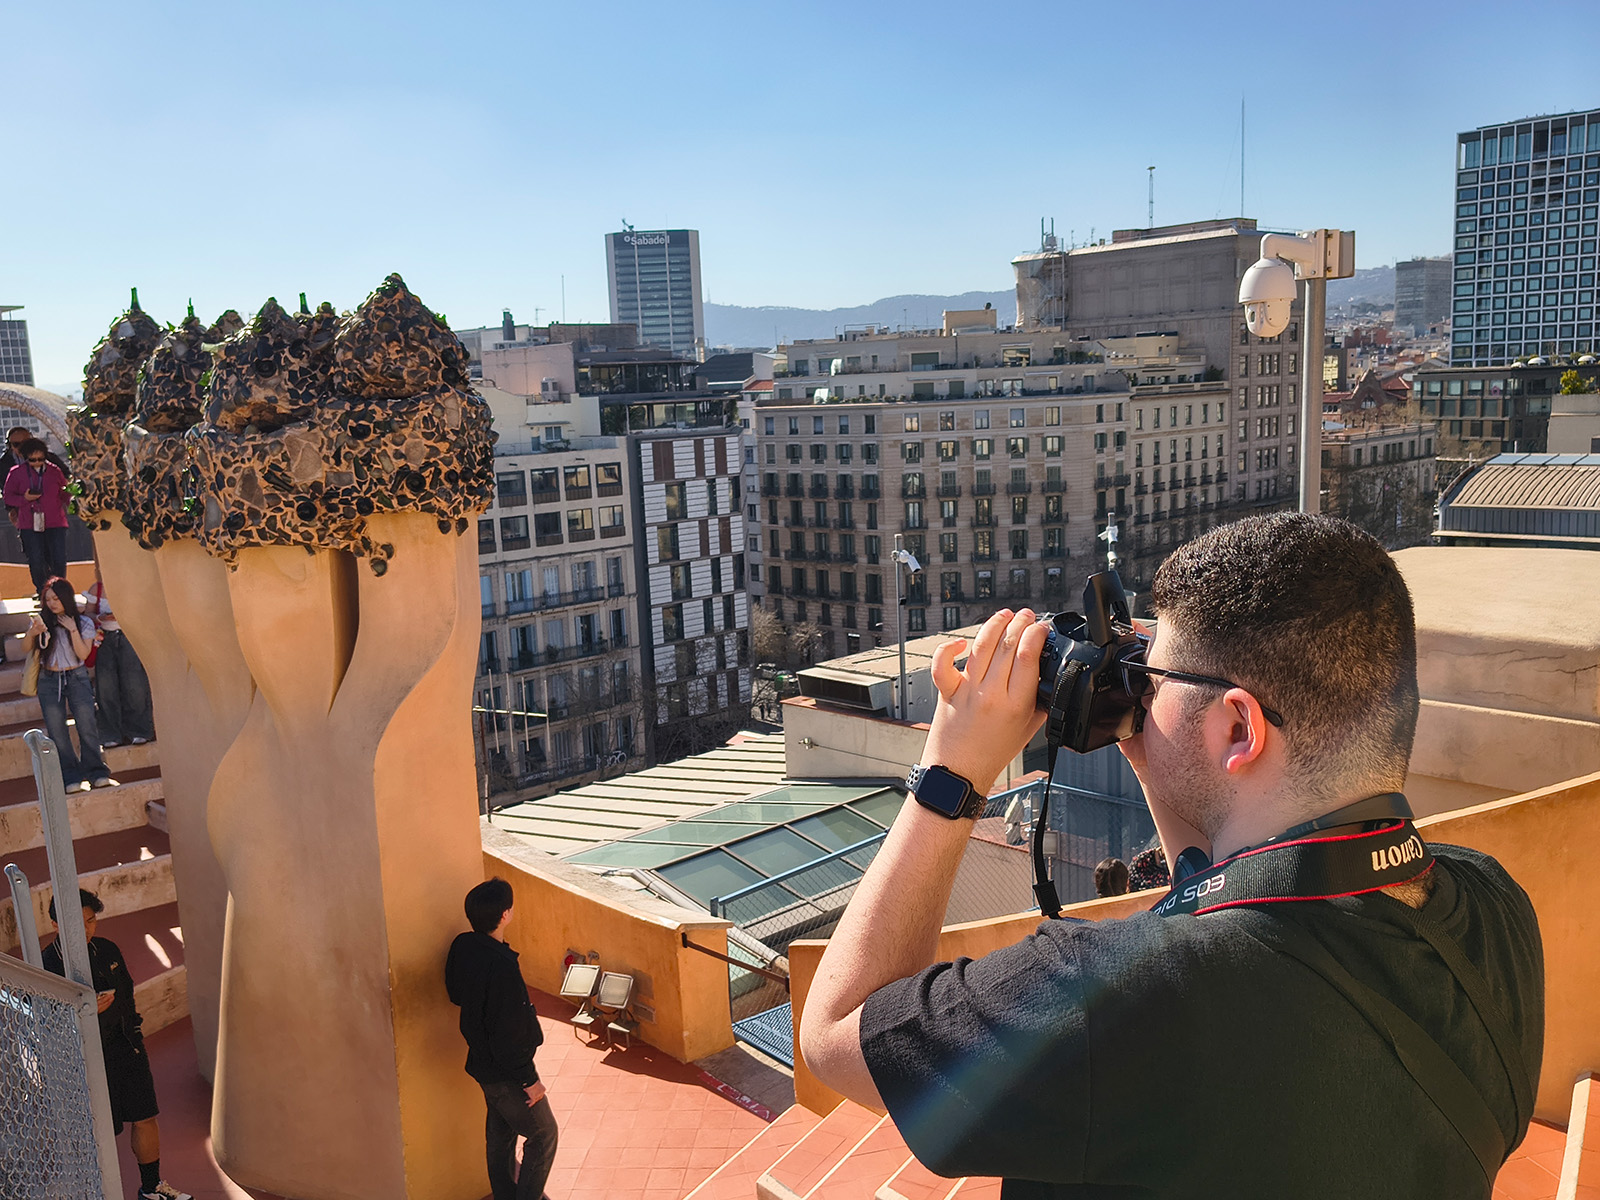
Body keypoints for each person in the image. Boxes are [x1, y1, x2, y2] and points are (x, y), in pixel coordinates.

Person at [800, 514, 1544, 1198]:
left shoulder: (1110, 999)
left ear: (1239, 729)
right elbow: (1234, 888)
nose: (1145, 692)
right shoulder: (1497, 908)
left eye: (1158, 678)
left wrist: (950, 775)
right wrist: (1155, 732)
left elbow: (834, 1035)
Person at [42, 888, 190, 1200]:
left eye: (91, 920)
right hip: (83, 1061)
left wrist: (134, 1035)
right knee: (100, 1134)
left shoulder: (107, 950)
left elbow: (128, 997)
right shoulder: (46, 966)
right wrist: (84, 1013)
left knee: (145, 1116)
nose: (86, 929)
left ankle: (152, 1188)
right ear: (55, 925)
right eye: (76, 923)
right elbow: (43, 1021)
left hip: (125, 1049)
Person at [445, 878, 558, 1200]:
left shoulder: (464, 946)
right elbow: (507, 1035)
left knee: (501, 1135)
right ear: (505, 914)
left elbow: (456, 995)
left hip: (482, 1063)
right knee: (544, 1134)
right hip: (507, 1071)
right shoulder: (501, 966)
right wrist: (529, 1080)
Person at [27, 577, 118, 791]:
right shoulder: (41, 621)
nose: (52, 603)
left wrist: (72, 630)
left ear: (66, 598)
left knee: (87, 725)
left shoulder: (83, 623)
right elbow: (25, 649)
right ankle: (70, 777)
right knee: (57, 730)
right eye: (48, 599)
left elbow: (84, 654)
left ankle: (97, 772)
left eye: (56, 598)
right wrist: (31, 633)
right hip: (49, 680)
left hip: (76, 677)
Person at [84, 561, 156, 747]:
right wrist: (101, 618)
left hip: (130, 637)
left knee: (135, 685)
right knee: (106, 687)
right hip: (104, 639)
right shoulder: (96, 589)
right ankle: (110, 733)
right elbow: (87, 615)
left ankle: (139, 730)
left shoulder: (132, 586)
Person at [4, 437, 72, 589]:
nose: (37, 462)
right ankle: (42, 590)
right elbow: (8, 497)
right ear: (25, 458)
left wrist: (74, 503)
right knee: (36, 558)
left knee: (59, 558)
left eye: (40, 459)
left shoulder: (54, 471)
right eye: (32, 460)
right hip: (29, 522)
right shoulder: (16, 473)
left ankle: (59, 589)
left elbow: (65, 492)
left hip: (55, 521)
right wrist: (25, 499)